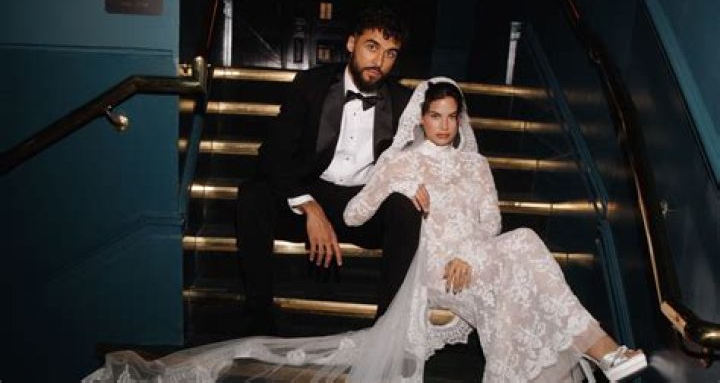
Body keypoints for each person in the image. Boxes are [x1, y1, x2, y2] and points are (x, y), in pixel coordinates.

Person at [84, 78, 648, 383]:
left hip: (475, 262)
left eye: (452, 116)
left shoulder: (477, 165)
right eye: (435, 115)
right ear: (421, 118)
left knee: (519, 246)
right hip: (431, 271)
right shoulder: (400, 162)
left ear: (461, 119)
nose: (444, 125)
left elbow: (491, 223)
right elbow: (354, 216)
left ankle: (589, 357)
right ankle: (604, 350)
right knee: (524, 248)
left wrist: (473, 258)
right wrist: (401, 197)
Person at [235, 5, 419, 334]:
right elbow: (272, 154)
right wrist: (309, 206)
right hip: (312, 193)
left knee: (406, 209)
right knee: (253, 196)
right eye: (372, 47)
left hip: (365, 205)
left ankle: (386, 330)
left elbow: (420, 159)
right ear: (351, 43)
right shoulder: (311, 85)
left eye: (390, 53)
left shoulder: (404, 101)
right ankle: (258, 318)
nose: (379, 61)